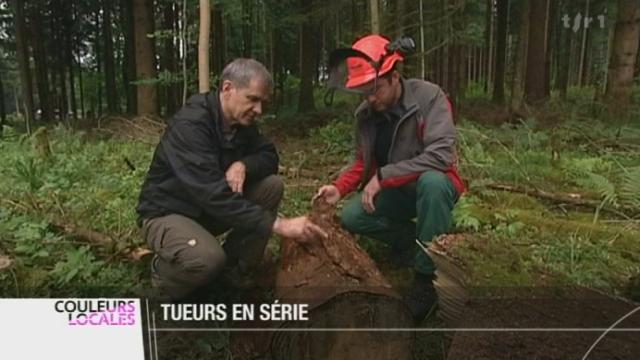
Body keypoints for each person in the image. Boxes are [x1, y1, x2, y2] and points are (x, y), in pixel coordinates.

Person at [137, 58, 327, 301]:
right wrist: (280, 225)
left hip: (206, 211)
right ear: (227, 89)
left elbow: (269, 156)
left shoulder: (240, 123)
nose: (258, 110)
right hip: (167, 213)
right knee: (207, 259)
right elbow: (213, 195)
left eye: (262, 102)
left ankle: (233, 272)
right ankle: (162, 277)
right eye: (252, 99)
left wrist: (243, 164)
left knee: (271, 186)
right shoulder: (192, 124)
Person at [315, 34, 465, 323]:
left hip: (431, 187)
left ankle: (426, 279)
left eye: (376, 89)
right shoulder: (366, 114)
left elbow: (442, 157)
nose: (371, 98)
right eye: (364, 92)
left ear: (395, 76)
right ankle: (416, 242)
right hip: (397, 191)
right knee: (352, 216)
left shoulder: (429, 97)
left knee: (432, 183)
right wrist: (339, 187)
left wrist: (384, 176)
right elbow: (362, 160)